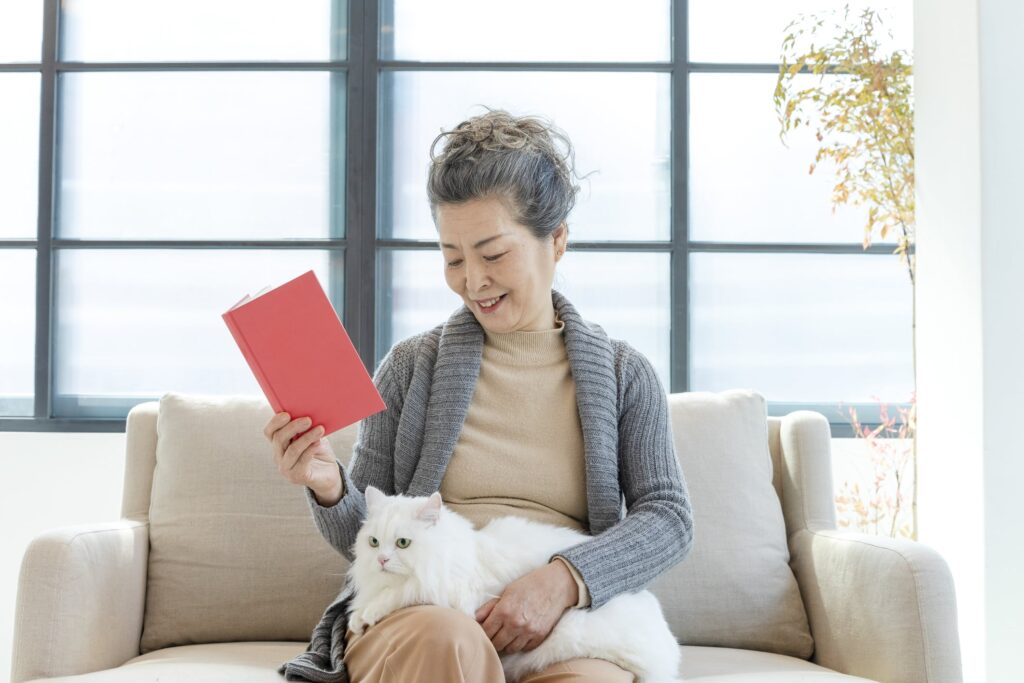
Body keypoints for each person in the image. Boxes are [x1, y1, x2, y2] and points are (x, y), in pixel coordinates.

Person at [263, 107, 694, 682]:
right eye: (452, 258)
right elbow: (367, 539)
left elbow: (667, 518)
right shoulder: (412, 367)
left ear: (557, 240)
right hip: (428, 617)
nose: (472, 280)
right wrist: (328, 486)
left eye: (493, 255)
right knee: (446, 640)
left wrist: (562, 580)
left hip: (566, 632)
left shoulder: (624, 376)